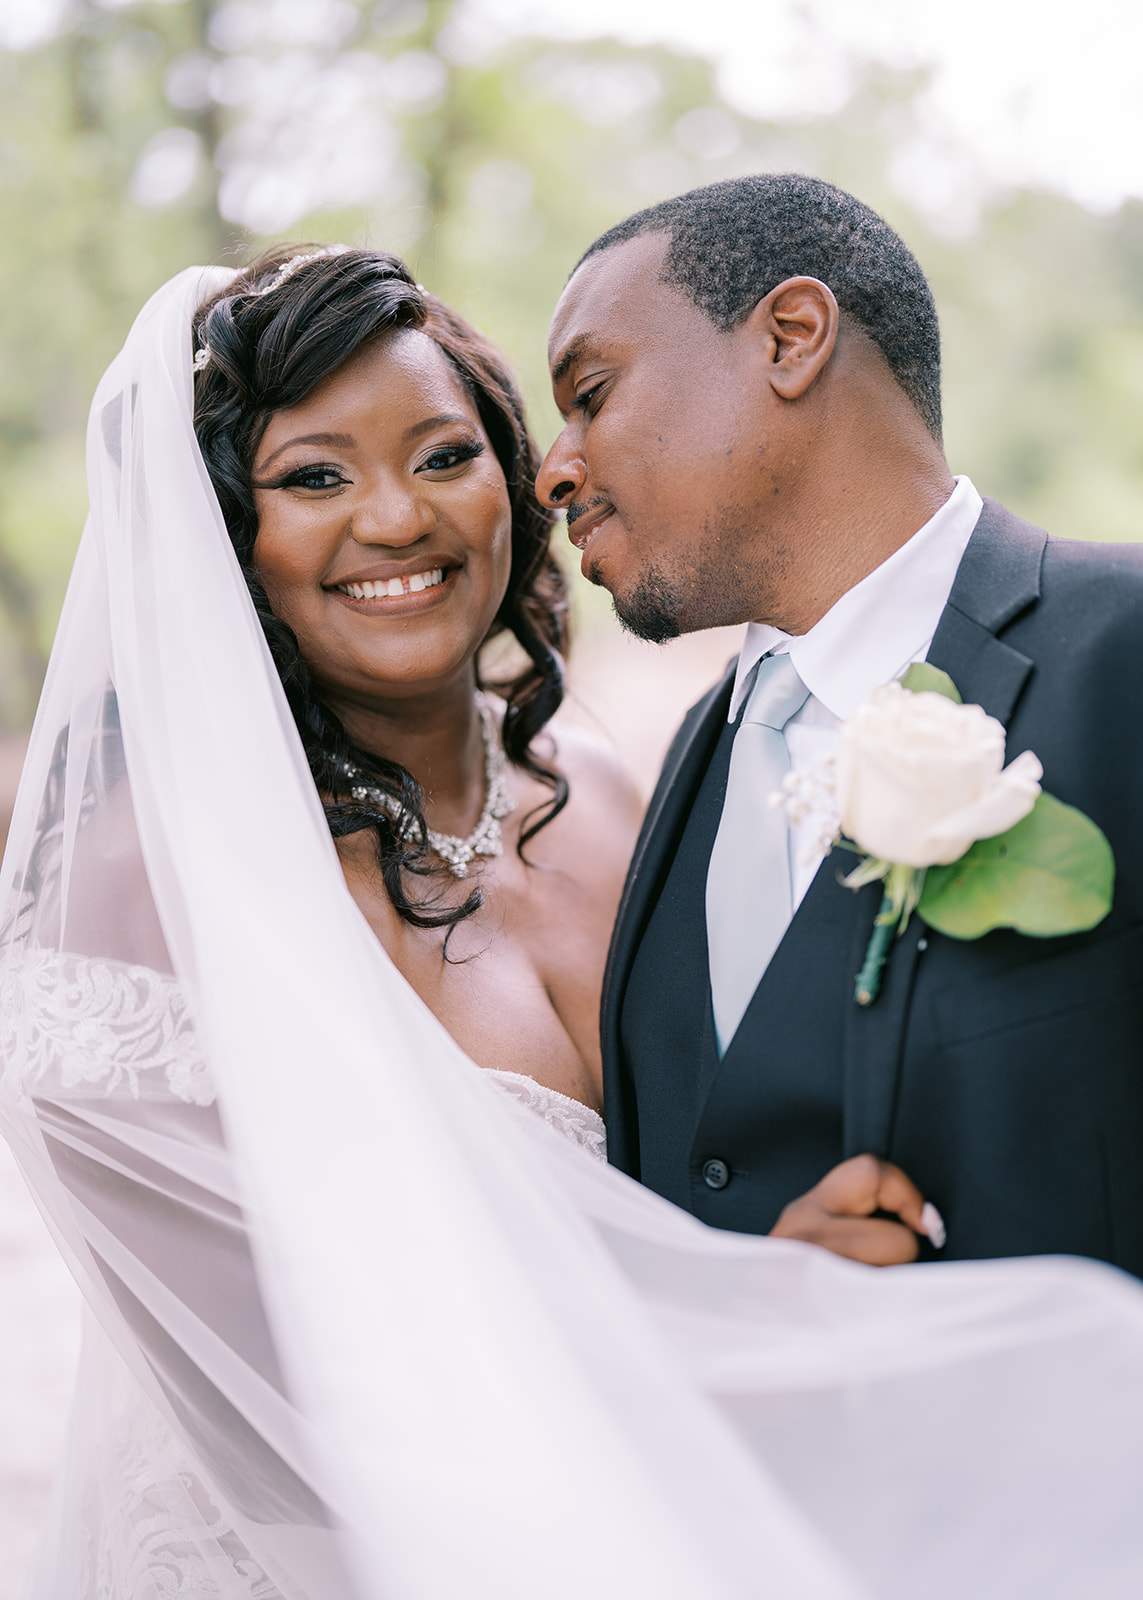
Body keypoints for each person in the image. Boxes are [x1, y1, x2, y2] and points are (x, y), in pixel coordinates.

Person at [5, 248, 1143, 1600]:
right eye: (313, 477)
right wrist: (741, 1348)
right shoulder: (135, 890)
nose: (394, 520)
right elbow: (251, 1396)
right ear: (217, 536)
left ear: (517, 478)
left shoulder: (635, 793)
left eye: (442, 457)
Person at [537, 173, 1143, 1275]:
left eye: (592, 392)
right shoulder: (687, 762)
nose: (554, 466)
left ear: (792, 337)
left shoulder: (1126, 649)